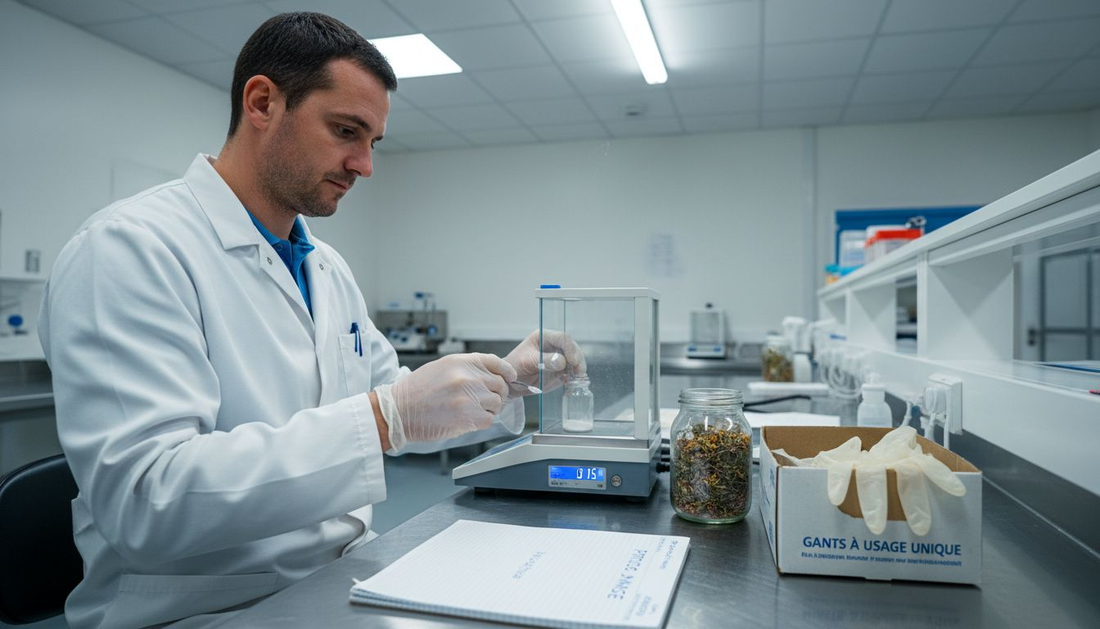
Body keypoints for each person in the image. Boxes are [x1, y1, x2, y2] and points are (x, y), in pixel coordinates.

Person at [38, 13, 582, 629]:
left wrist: (507, 380)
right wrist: (384, 419)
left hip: (336, 579)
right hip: (198, 608)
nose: (364, 165)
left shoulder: (325, 267)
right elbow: (146, 500)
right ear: (262, 103)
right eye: (346, 131)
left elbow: (401, 399)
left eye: (373, 142)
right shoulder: (129, 250)